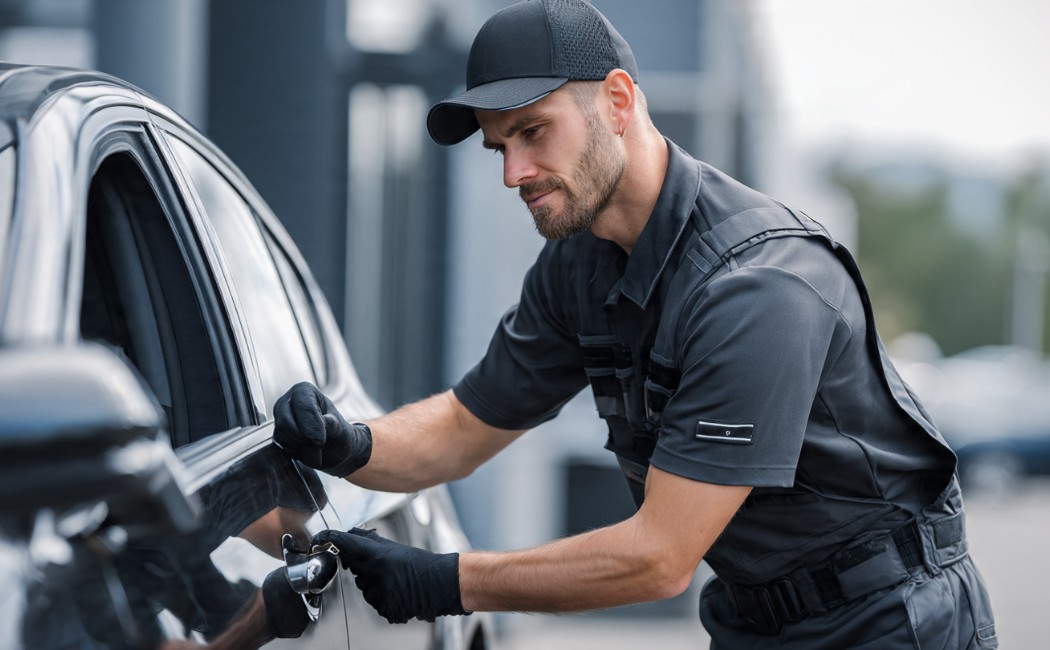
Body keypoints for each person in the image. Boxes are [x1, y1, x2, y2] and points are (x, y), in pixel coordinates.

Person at [273, 0, 998, 647]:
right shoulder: (578, 262)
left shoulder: (759, 285)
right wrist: (351, 443)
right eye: (500, 147)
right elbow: (465, 427)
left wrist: (447, 582)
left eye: (532, 132)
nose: (512, 174)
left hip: (890, 620)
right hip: (755, 618)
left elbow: (659, 558)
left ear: (617, 102)